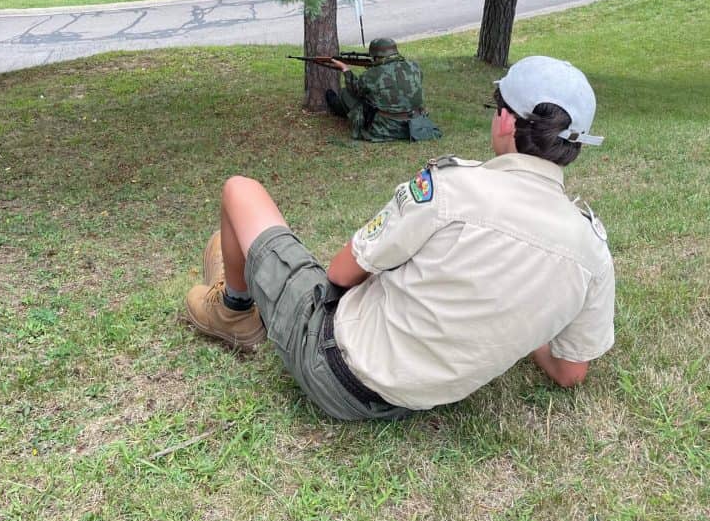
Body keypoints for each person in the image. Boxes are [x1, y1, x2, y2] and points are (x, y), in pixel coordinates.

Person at [184, 55, 615, 421]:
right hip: (416, 402)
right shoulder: (592, 250)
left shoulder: (453, 188)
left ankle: (235, 313)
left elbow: (340, 273)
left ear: (505, 119)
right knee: (231, 243)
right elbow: (570, 372)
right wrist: (525, 315)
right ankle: (237, 275)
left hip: (338, 369)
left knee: (240, 192)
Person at [324, 36, 441, 142]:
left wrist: (346, 70)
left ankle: (336, 107)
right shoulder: (414, 66)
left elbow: (355, 90)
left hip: (387, 127)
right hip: (417, 122)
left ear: (375, 56)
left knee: (345, 93)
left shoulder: (372, 74)